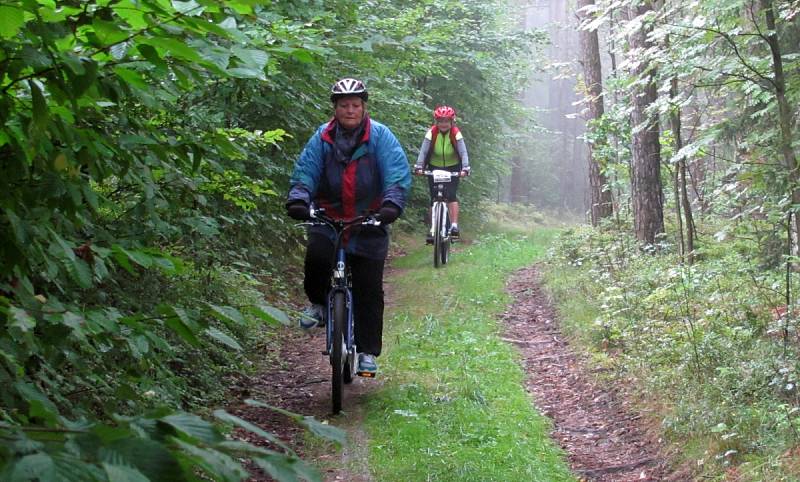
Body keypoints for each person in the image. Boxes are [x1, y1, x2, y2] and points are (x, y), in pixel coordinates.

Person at [285, 77, 411, 376]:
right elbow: (306, 172)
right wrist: (299, 198)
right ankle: (318, 304)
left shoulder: (380, 136)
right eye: (344, 105)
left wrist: (391, 205)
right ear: (336, 109)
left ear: (363, 107)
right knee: (317, 256)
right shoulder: (322, 138)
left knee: (369, 287)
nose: (350, 110)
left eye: (355, 105)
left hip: (369, 219)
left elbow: (396, 173)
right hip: (329, 217)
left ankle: (367, 352)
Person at [413, 105, 470, 242]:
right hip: (434, 167)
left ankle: (454, 226)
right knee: (433, 198)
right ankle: (433, 229)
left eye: (446, 121)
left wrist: (465, 168)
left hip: (453, 167)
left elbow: (463, 152)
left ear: (451, 122)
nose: (443, 124)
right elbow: (424, 151)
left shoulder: (455, 133)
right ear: (436, 122)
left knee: (451, 196)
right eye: (440, 121)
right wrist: (419, 166)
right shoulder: (431, 133)